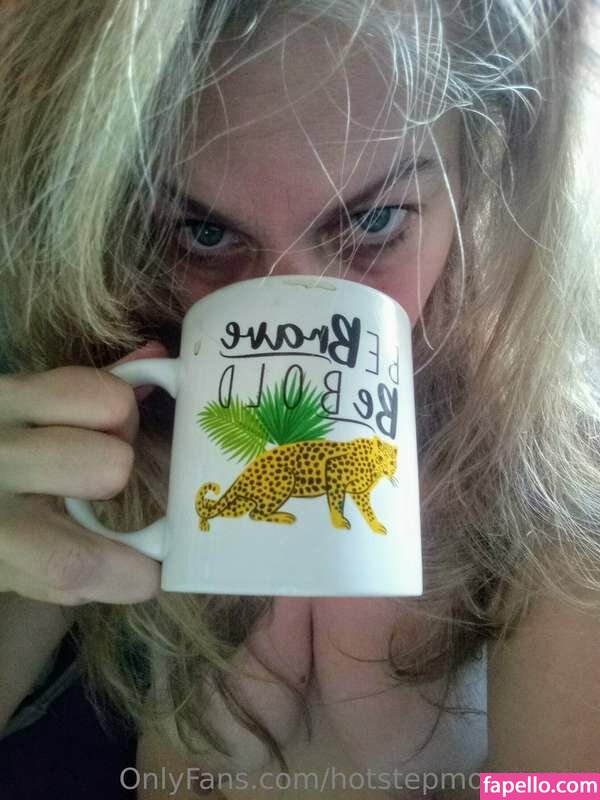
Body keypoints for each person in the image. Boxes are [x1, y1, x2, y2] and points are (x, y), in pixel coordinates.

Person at [0, 0, 598, 797]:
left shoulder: (548, 467)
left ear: (473, 177)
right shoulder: (101, 431)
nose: (292, 314)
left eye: (376, 220)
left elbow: (562, 785)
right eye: (203, 234)